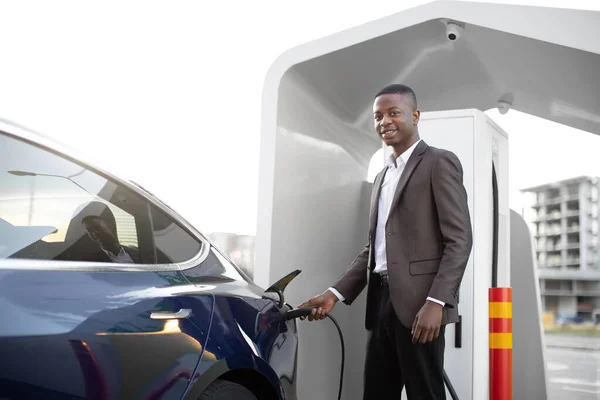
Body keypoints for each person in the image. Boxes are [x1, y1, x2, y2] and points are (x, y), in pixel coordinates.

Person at [298, 84, 473, 400]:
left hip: (421, 305)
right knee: (376, 393)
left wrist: (437, 302)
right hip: (380, 302)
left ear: (415, 116)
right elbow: (374, 248)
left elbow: (459, 239)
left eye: (394, 113)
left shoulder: (438, 163)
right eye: (378, 116)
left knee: (425, 394)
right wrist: (333, 293)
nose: (384, 122)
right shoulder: (381, 177)